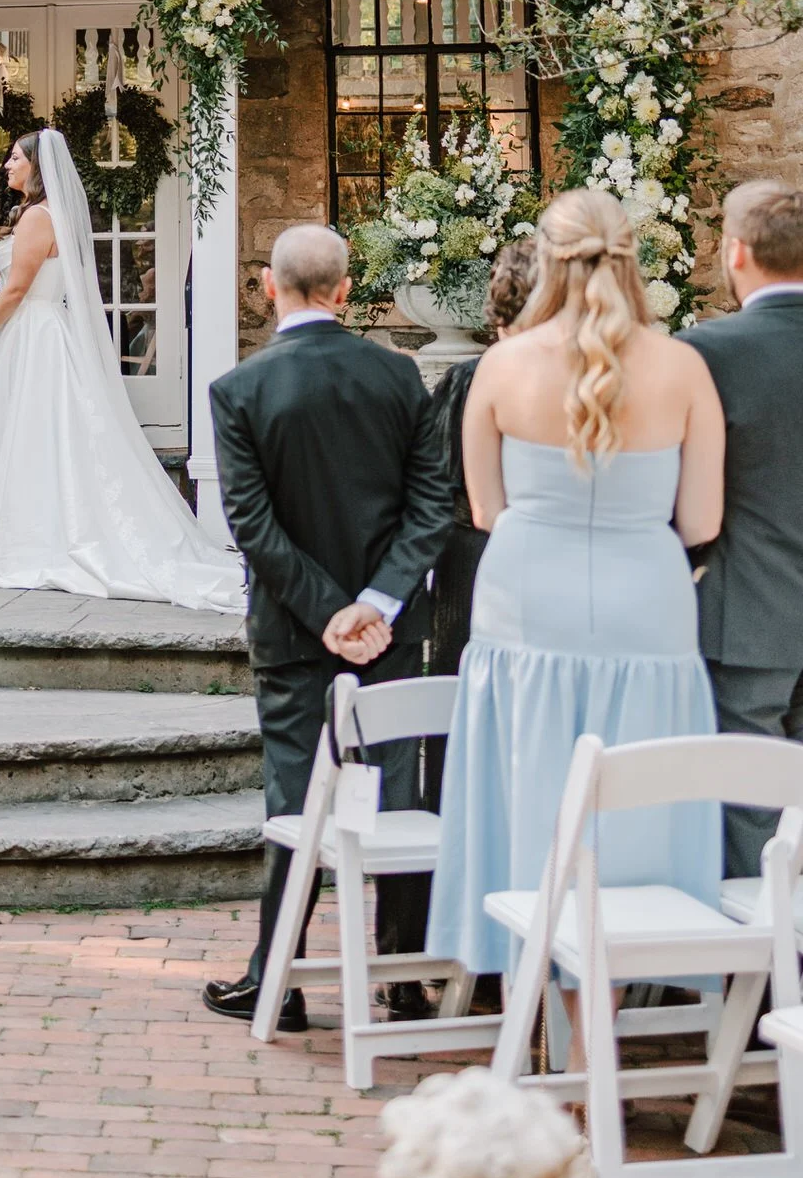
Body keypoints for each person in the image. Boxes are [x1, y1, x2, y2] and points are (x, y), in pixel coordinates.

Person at [426, 188, 724, 981]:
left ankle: (546, 1010)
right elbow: (699, 523)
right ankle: (609, 1012)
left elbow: (486, 510)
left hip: (527, 604)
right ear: (629, 258)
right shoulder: (684, 367)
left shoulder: (501, 364)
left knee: (530, 794)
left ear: (549, 259)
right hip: (650, 613)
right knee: (639, 812)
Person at [202, 222, 456, 1030]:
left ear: (270, 287)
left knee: (293, 795)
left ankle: (274, 978)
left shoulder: (239, 389)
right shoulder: (398, 375)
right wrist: (376, 604)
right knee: (400, 791)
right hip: (389, 632)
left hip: (292, 631)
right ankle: (402, 975)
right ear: (345, 291)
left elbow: (253, 525)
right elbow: (432, 505)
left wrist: (325, 613)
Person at [0, 129, 246, 610]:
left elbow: (15, 293)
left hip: (32, 335)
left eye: (14, 158)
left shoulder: (34, 218)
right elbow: (20, 275)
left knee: (31, 434)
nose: (7, 165)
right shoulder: (49, 216)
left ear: (36, 167)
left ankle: (28, 542)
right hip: (40, 331)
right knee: (36, 435)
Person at [681, 178, 803, 878]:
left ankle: (757, 981)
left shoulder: (707, 351)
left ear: (736, 254)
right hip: (753, 609)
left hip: (747, 612)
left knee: (751, 804)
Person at [426, 237, 542, 686]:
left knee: (461, 691)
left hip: (473, 554)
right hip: (549, 549)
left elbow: (438, 476)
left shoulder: (471, 378)